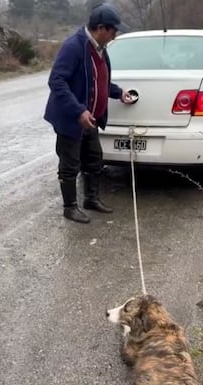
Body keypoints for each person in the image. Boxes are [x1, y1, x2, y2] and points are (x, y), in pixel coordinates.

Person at [43, 3, 136, 224]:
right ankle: (69, 207)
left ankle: (91, 199)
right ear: (101, 28)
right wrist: (78, 110)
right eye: (114, 30)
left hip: (90, 120)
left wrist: (118, 93)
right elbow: (56, 80)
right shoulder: (74, 46)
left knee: (94, 160)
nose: (115, 35)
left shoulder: (100, 50)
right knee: (70, 165)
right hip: (71, 120)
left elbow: (98, 82)